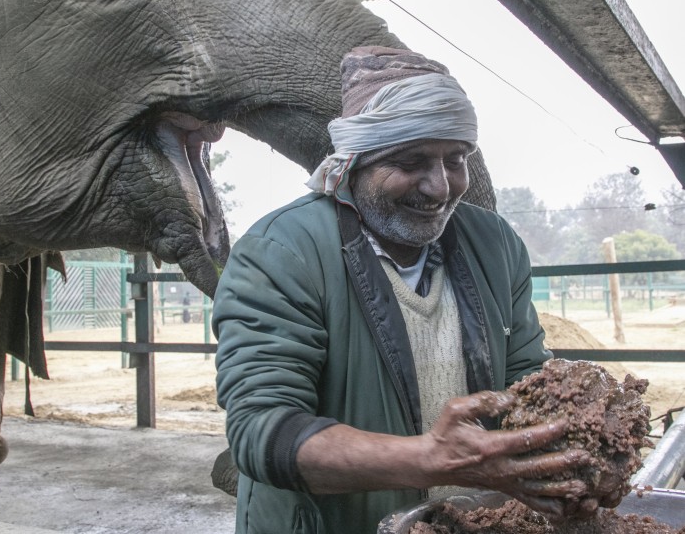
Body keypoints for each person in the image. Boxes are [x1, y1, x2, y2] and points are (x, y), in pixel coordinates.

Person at [212, 47, 595, 534]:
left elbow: (526, 378)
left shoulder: (494, 243)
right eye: (412, 162)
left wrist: (580, 421)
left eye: (455, 160)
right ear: (355, 162)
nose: (440, 187)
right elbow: (261, 432)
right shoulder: (282, 251)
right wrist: (431, 459)